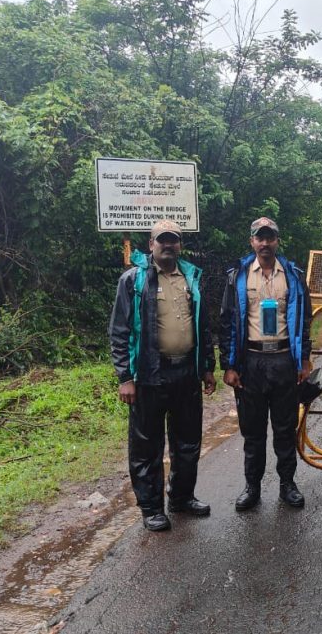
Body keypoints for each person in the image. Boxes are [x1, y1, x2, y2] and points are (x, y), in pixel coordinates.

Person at [109, 220, 216, 532]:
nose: (168, 245)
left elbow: (202, 324)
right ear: (151, 243)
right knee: (147, 445)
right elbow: (120, 331)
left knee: (188, 442)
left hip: (186, 372)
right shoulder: (133, 280)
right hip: (149, 375)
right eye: (162, 240)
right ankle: (152, 507)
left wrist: (207, 366)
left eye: (174, 240)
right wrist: (124, 377)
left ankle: (181, 498)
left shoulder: (191, 277)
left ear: (179, 245)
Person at [218, 217, 313, 510]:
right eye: (260, 238)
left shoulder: (294, 275)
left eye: (270, 237)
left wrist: (305, 359)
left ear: (277, 240)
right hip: (252, 363)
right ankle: (252, 487)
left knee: (285, 428)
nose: (265, 243)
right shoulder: (239, 275)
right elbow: (227, 321)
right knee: (253, 431)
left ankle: (287, 485)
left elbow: (305, 321)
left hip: (284, 360)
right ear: (252, 242)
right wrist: (229, 365)